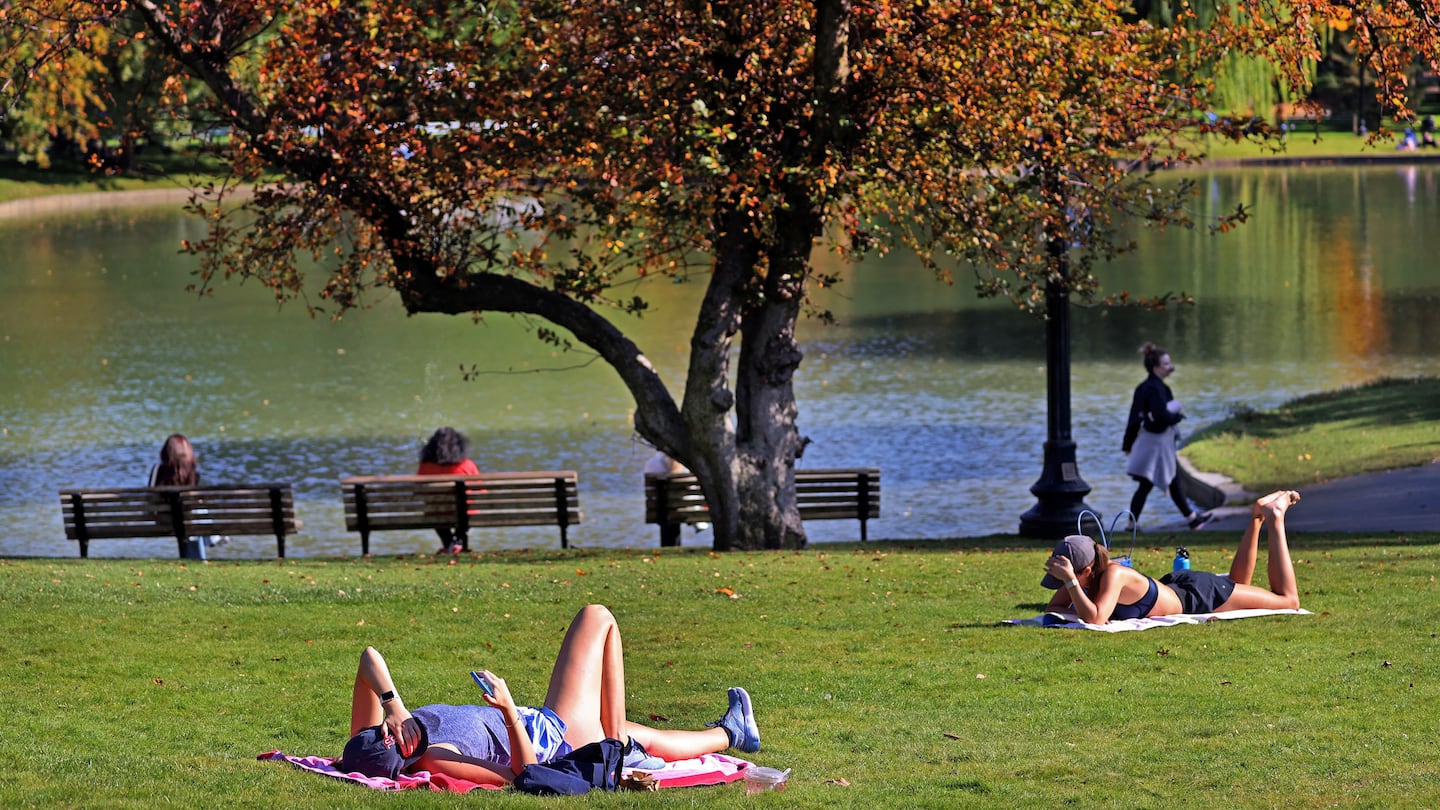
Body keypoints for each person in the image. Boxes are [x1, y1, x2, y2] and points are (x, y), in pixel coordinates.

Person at [337, 604, 760, 786]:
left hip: (543, 722)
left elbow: (368, 658)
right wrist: (507, 712)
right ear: (400, 757)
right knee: (597, 618)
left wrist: (393, 703)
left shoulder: (370, 743)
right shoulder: (435, 756)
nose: (388, 733)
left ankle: (731, 733)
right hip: (554, 737)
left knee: (641, 735)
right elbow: (524, 774)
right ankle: (613, 751)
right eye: (390, 740)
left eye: (382, 731)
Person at [1041, 490, 1302, 624]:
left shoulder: (1114, 573)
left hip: (1197, 597)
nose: (1064, 583)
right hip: (1178, 585)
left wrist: (1072, 584)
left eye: (1067, 577)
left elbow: (1096, 619)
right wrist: (1069, 583)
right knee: (1237, 583)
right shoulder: (1088, 575)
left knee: (1288, 601)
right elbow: (1054, 609)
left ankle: (1275, 517)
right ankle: (1257, 515)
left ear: (1085, 571)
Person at [1121, 342, 1211, 530]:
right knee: (1150, 483)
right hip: (1156, 444)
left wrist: (1127, 443)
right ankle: (1132, 525)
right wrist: (1177, 415)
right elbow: (1162, 415)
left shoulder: (1144, 387)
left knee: (1170, 480)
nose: (1171, 367)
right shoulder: (1156, 388)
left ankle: (1192, 519)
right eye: (1166, 364)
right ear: (1156, 367)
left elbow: (1133, 418)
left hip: (1151, 442)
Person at [147, 434, 226, 559]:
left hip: (164, 521)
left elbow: (150, 497)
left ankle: (211, 538)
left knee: (194, 513)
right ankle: (212, 537)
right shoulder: (193, 473)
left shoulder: (158, 470)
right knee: (197, 511)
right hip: (189, 521)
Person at [417, 427, 480, 554]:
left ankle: (449, 543)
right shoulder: (467, 465)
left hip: (438, 514)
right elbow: (479, 491)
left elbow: (419, 491)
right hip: (465, 515)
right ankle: (457, 542)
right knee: (466, 510)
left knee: (434, 511)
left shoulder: (425, 466)